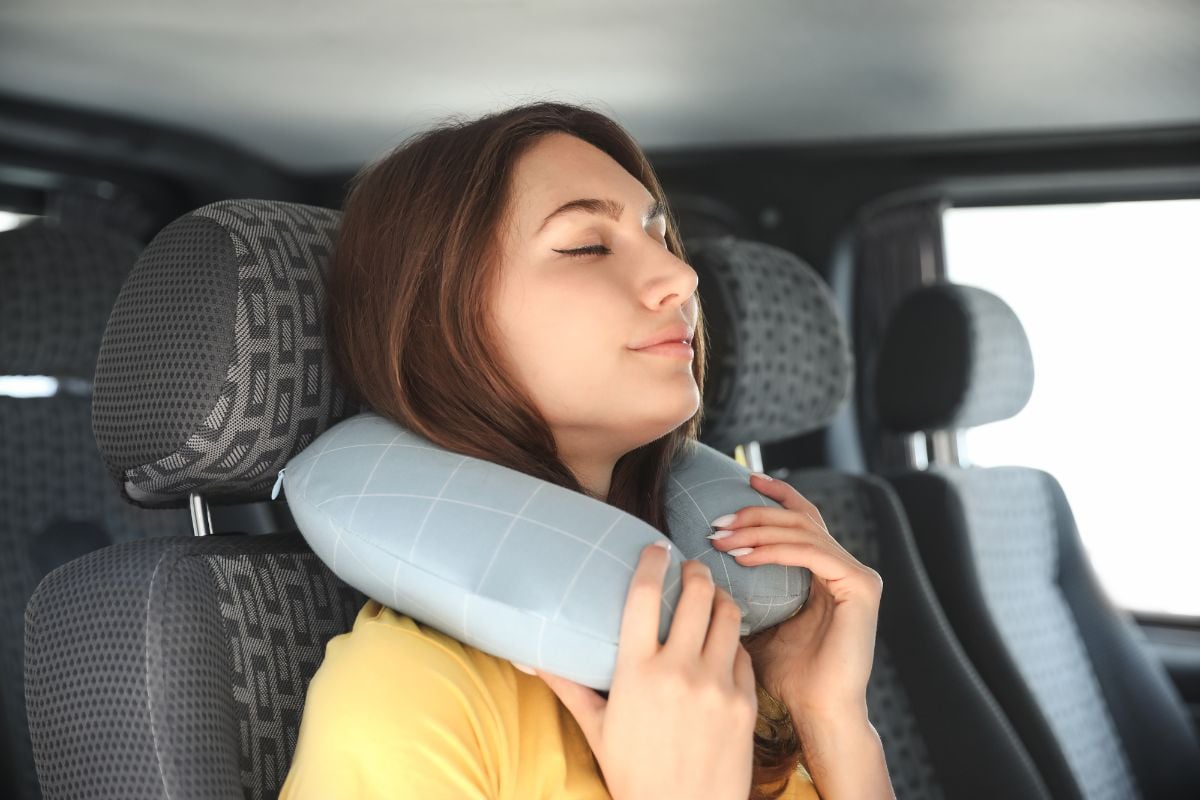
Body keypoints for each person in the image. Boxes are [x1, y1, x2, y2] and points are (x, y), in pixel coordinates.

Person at [279, 100, 894, 799]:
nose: (682, 277)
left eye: (659, 237)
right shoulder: (409, 695)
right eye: (586, 246)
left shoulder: (728, 662)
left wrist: (835, 720)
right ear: (441, 321)